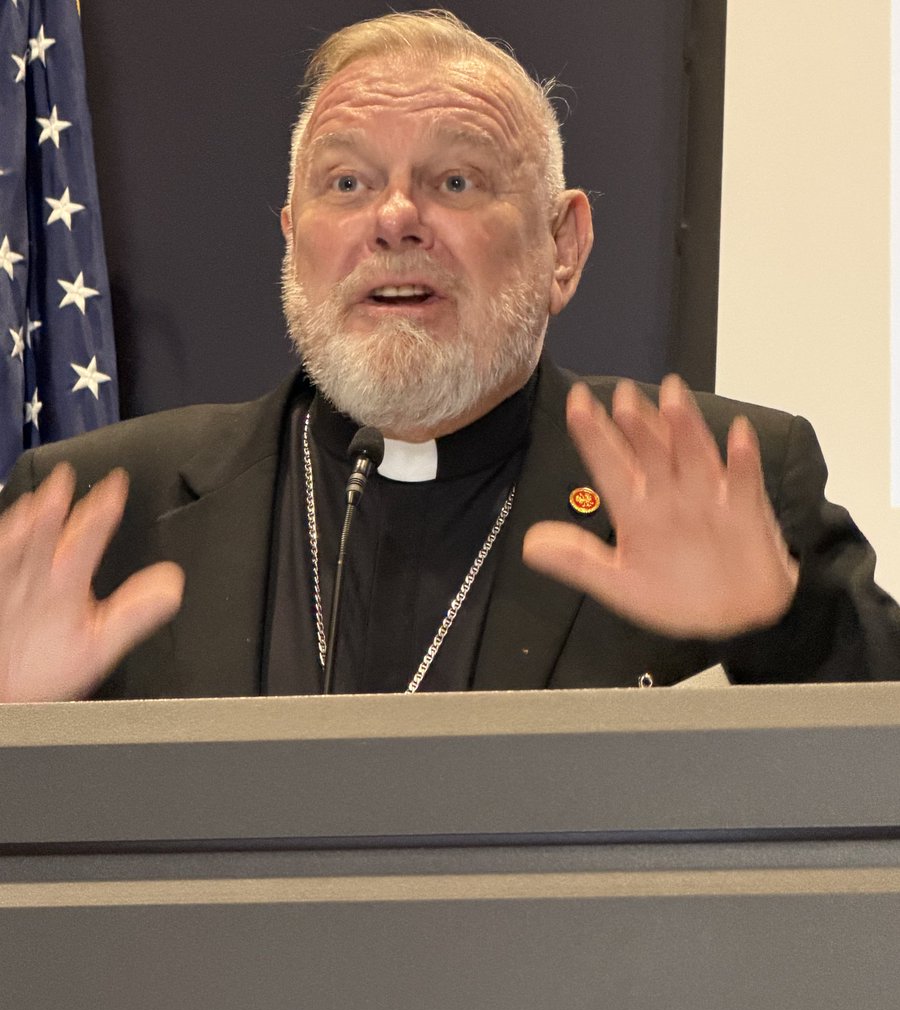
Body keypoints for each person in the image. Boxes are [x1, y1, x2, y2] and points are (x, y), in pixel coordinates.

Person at [0, 9, 898, 701]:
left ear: (564, 246)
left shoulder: (723, 479)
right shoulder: (89, 516)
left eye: (456, 181)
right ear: (292, 239)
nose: (393, 218)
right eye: (346, 183)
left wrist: (780, 632)